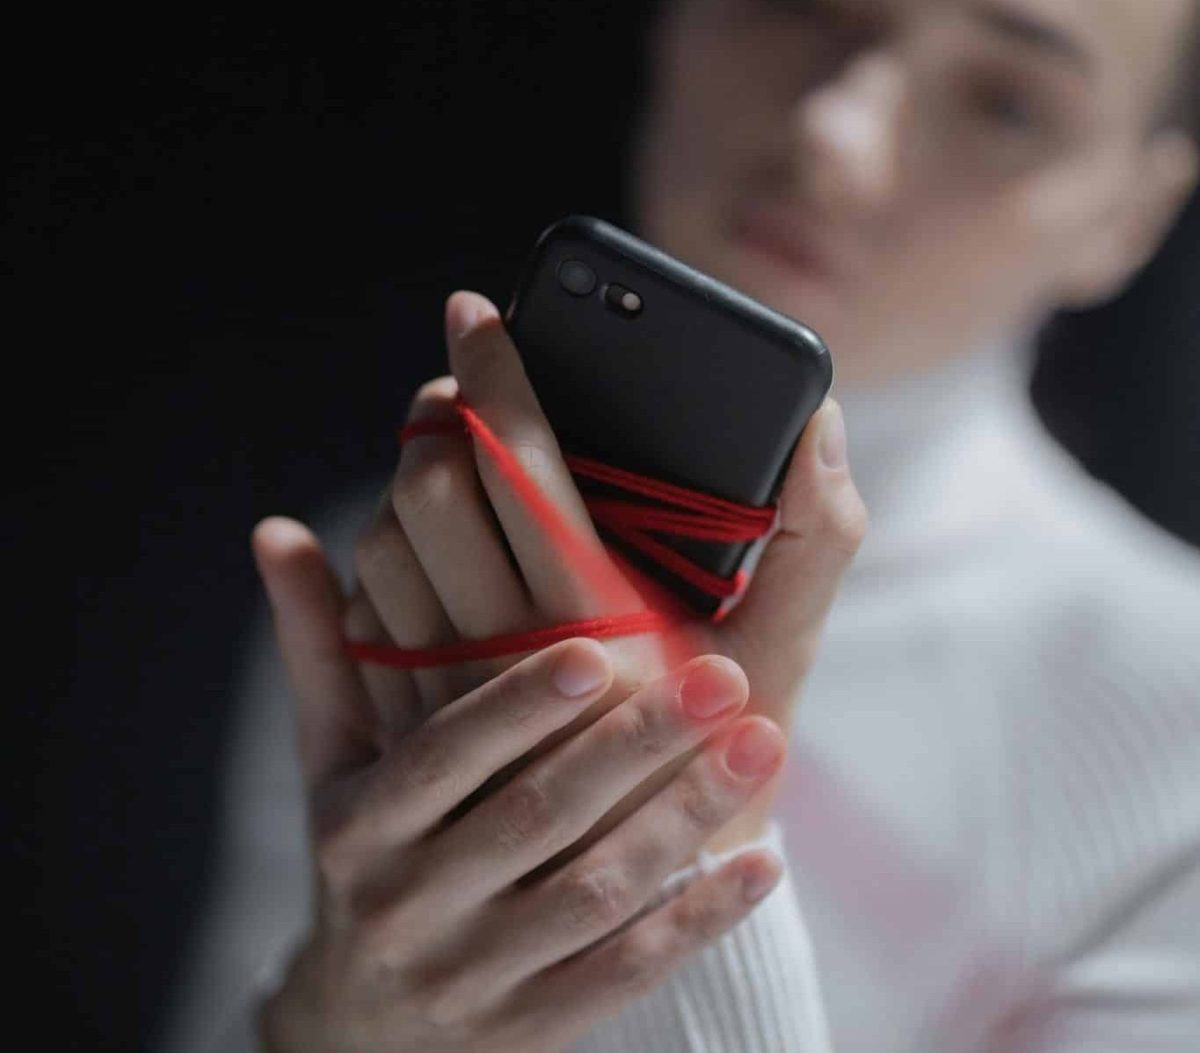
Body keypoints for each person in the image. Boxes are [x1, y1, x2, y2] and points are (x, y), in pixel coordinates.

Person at [159, 0, 1200, 1049]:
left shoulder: (1179, 742)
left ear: (1131, 217)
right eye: (806, 6)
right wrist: (322, 1023)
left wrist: (682, 862)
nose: (834, 134)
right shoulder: (414, 550)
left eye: (1009, 104)